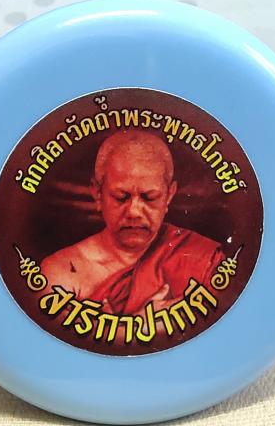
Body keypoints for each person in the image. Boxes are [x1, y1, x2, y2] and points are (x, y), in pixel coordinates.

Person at [40, 129, 225, 315]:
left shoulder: (205, 260)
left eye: (150, 197)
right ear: (97, 193)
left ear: (169, 195)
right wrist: (142, 325)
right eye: (121, 197)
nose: (134, 212)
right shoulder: (59, 273)